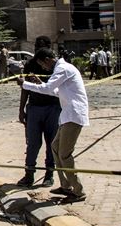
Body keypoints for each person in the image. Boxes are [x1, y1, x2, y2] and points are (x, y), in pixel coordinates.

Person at [17, 48, 89, 203]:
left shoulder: (63, 69)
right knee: (55, 148)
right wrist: (40, 83)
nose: (43, 68)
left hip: (74, 115)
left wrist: (26, 84)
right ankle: (65, 185)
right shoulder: (61, 69)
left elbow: (49, 89)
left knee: (64, 154)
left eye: (42, 64)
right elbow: (55, 92)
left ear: (47, 59)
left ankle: (78, 191)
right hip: (67, 116)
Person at [16, 36, 60, 188]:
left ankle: (49, 175)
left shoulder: (58, 66)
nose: (37, 50)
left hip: (53, 108)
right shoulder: (30, 64)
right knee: (33, 143)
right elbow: (25, 88)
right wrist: (21, 110)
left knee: (51, 143)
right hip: (34, 108)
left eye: (41, 47)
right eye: (36, 47)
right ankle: (29, 174)